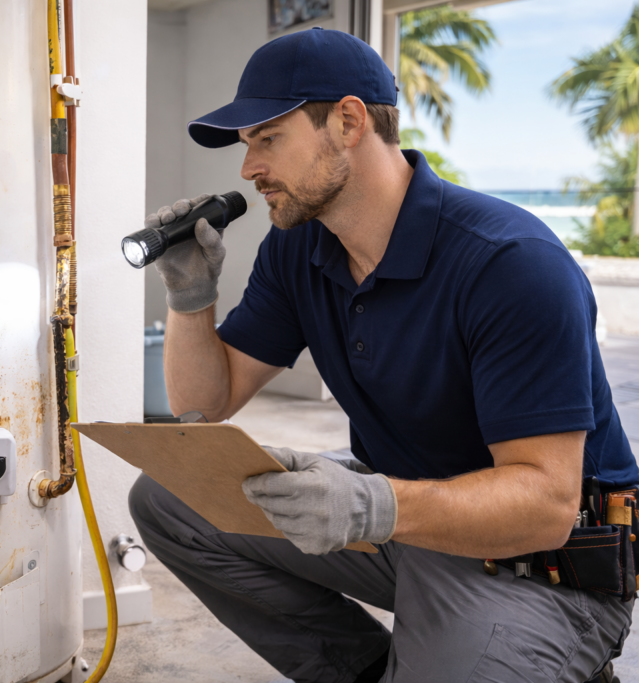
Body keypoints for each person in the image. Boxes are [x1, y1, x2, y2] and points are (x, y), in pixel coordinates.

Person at [129, 27, 638, 683]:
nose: (247, 168)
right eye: (247, 145)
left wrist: (373, 505)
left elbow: (545, 504)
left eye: (267, 138)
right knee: (171, 498)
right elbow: (205, 403)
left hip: (549, 555)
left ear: (347, 121)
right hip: (404, 512)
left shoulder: (510, 265)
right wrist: (191, 297)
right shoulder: (300, 247)